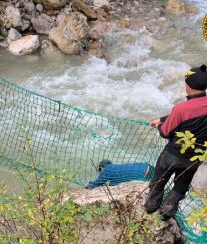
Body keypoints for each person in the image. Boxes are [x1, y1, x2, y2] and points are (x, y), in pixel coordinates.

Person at [145, 64, 207, 220]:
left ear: (188, 85)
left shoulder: (180, 109)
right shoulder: (186, 109)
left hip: (172, 155)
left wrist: (159, 124)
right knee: (180, 188)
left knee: (158, 182)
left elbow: (165, 132)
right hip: (194, 158)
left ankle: (151, 207)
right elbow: (191, 114)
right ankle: (166, 213)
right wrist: (164, 118)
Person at [87, 159, 153, 189]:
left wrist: (88, 185)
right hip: (147, 166)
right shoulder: (115, 167)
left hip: (144, 174)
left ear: (102, 168)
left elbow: (96, 183)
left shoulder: (107, 170)